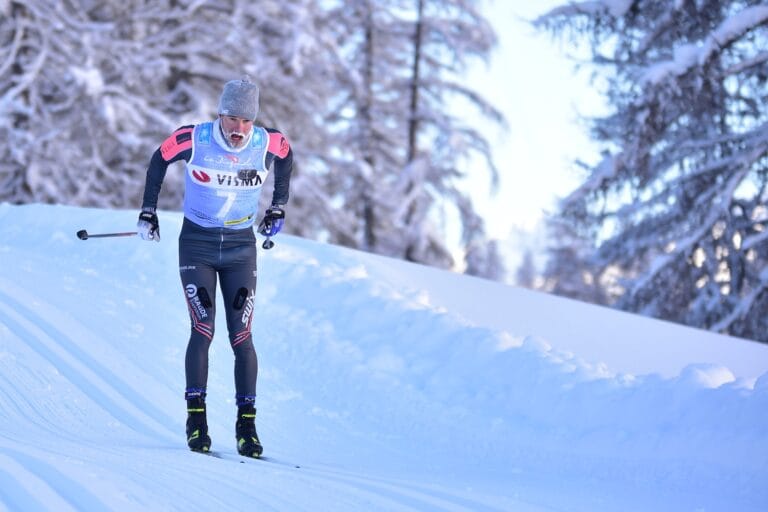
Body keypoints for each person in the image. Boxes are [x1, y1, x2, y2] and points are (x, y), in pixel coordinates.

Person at [136, 78, 293, 458]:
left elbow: (287, 159)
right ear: (220, 114)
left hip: (241, 250)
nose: (238, 128)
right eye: (232, 118)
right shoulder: (196, 138)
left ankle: (247, 427)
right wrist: (148, 211)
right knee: (203, 330)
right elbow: (159, 159)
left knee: (242, 337)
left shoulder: (267, 142)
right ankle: (197, 421)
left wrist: (278, 206)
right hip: (197, 246)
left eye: (246, 121)